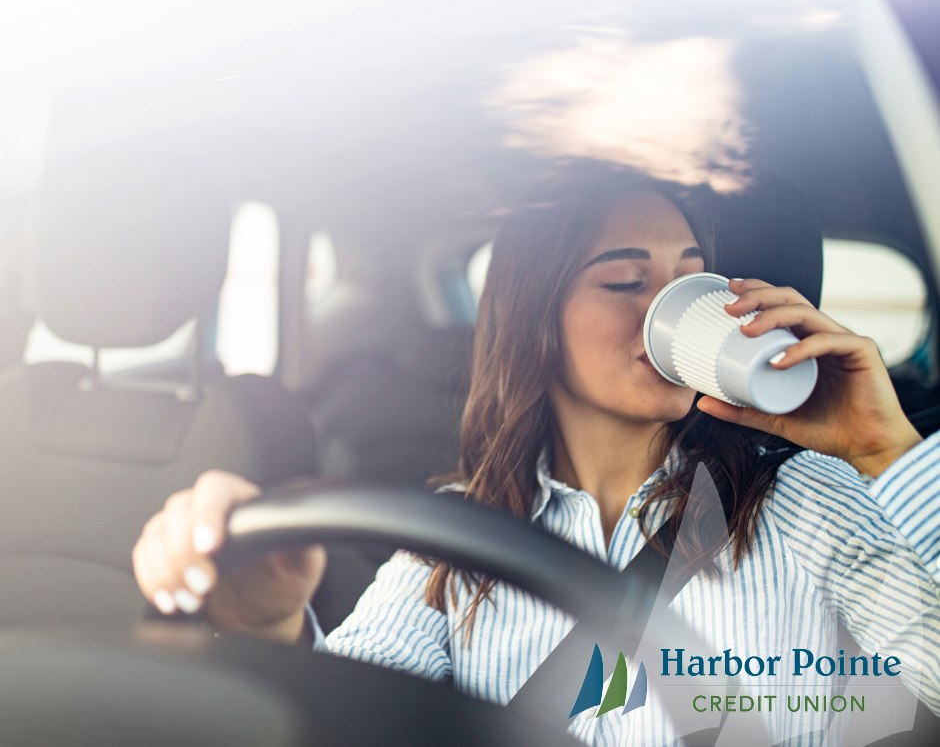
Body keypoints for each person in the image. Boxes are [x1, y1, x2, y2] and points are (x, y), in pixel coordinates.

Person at [132, 174, 940, 745]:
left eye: (693, 282)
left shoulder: (805, 499)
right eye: (626, 281)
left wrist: (885, 451)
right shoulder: (457, 533)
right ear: (536, 321)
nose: (667, 308)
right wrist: (269, 625)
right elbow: (355, 713)